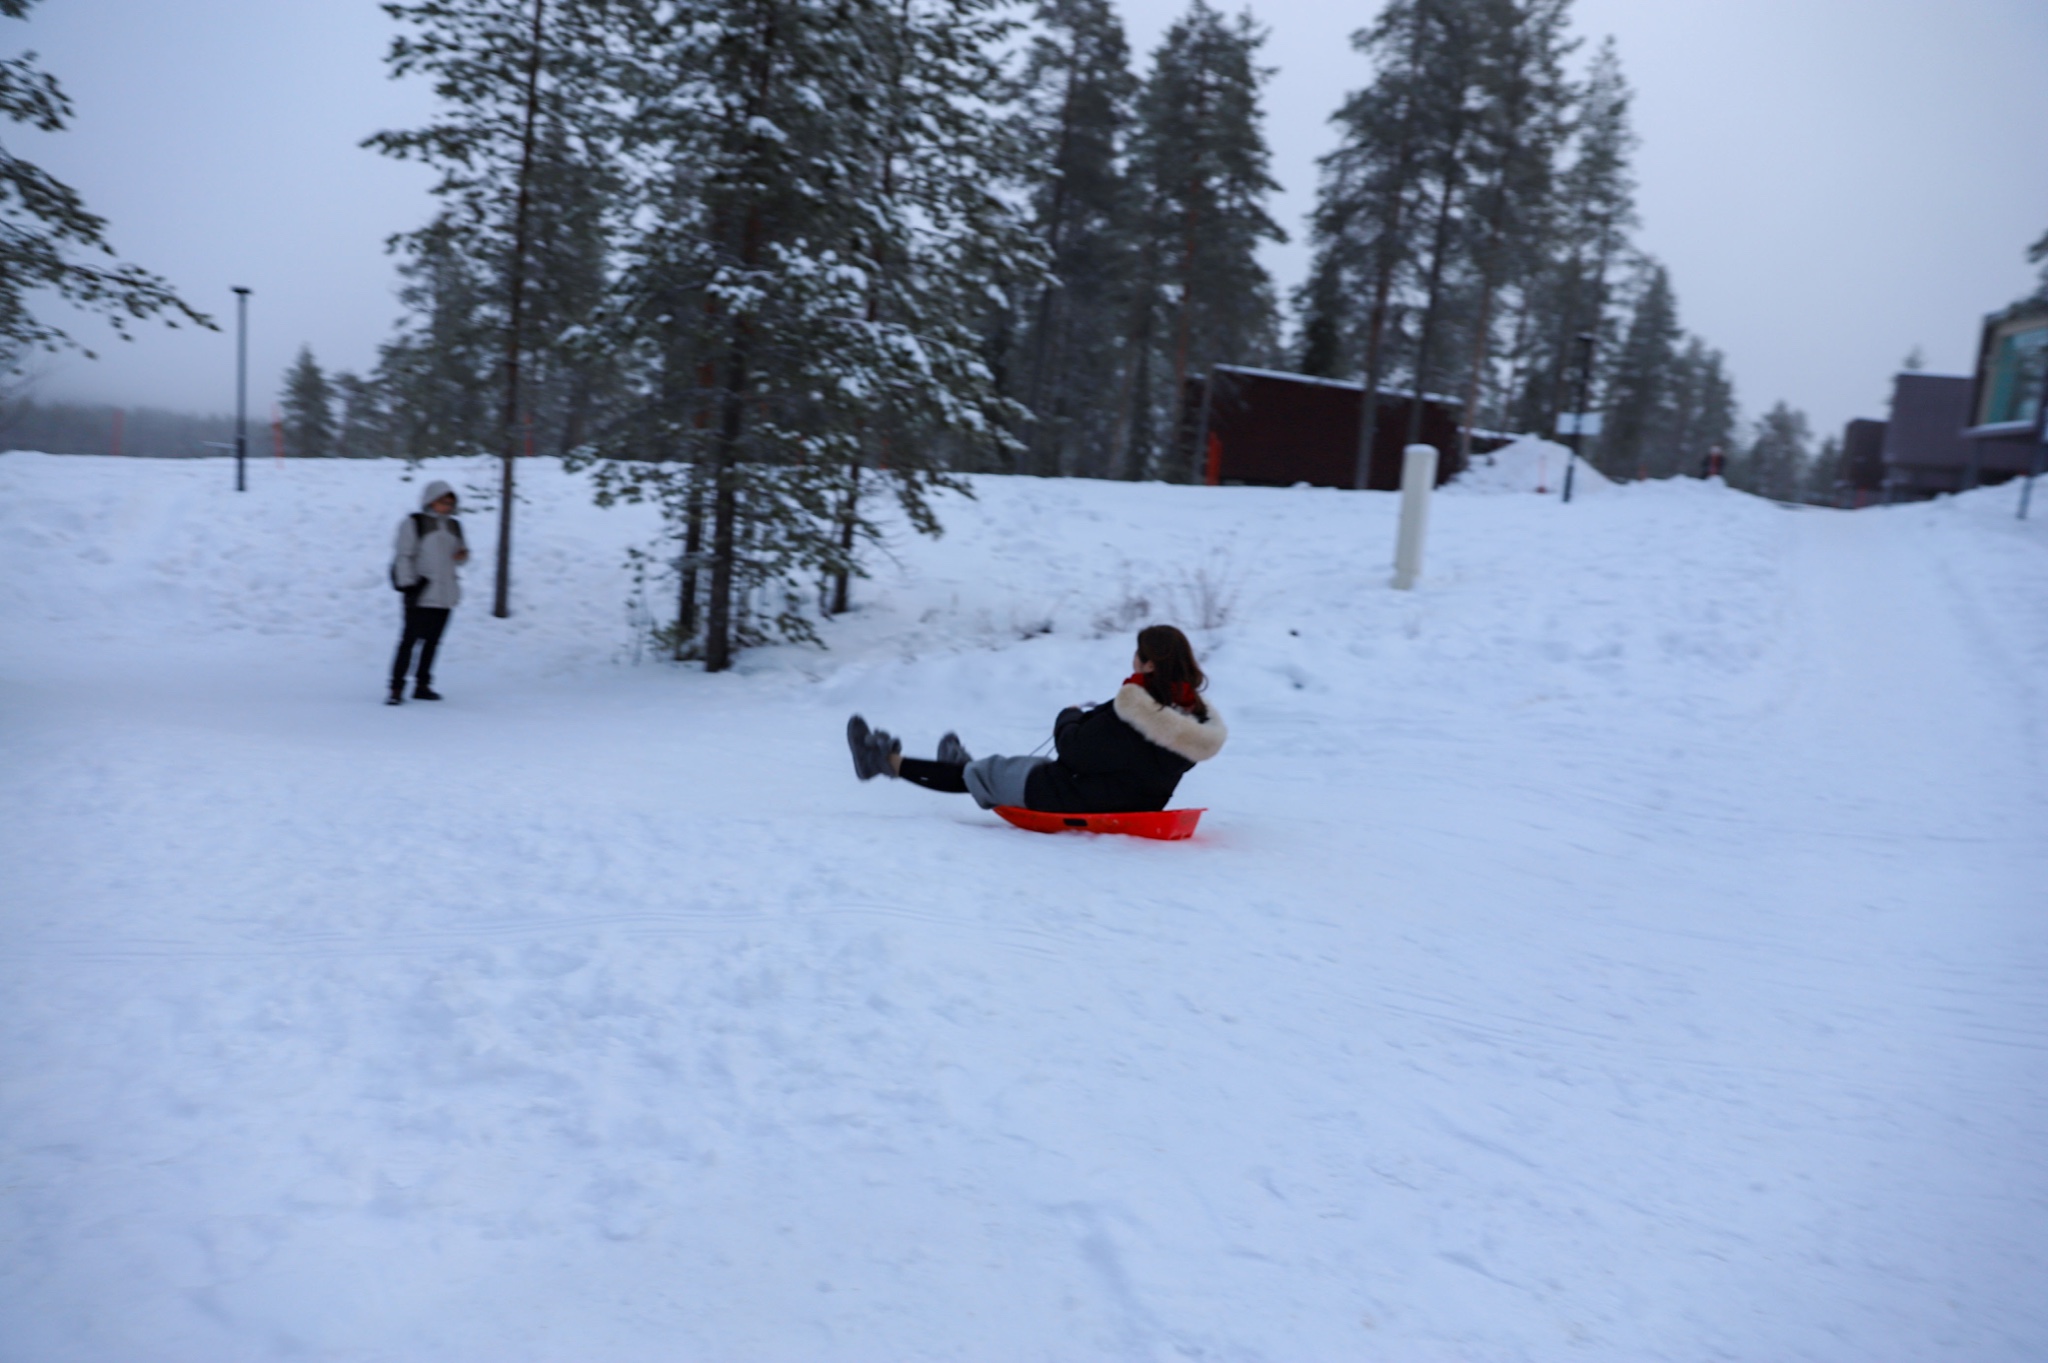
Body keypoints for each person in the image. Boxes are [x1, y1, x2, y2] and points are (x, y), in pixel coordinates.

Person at [847, 624, 1226, 813]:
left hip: (1075, 798)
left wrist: (1069, 717)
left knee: (990, 773)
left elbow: (1074, 752)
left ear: (1150, 663)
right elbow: (1123, 758)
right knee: (1013, 768)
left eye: (1138, 655)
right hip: (1121, 799)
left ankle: (882, 763)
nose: (1133, 662)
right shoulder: (1190, 718)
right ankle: (969, 768)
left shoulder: (1136, 710)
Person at [387, 479, 469, 705]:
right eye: (442, 501)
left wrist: (462, 556)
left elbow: (462, 556)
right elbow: (403, 555)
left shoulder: (455, 526)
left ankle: (423, 685)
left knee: (433, 642)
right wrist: (408, 585)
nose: (446, 506)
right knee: (409, 641)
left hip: (445, 595)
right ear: (430, 500)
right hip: (420, 592)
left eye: (450, 502)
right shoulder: (414, 523)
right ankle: (396, 687)